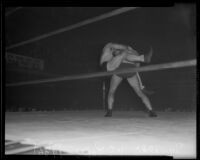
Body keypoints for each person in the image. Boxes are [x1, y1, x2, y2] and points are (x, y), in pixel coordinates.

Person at [100, 42, 157, 117]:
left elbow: (136, 66)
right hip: (126, 70)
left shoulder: (117, 53)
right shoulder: (110, 48)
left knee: (112, 91)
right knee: (139, 92)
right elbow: (137, 66)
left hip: (121, 70)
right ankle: (151, 111)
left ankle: (109, 111)